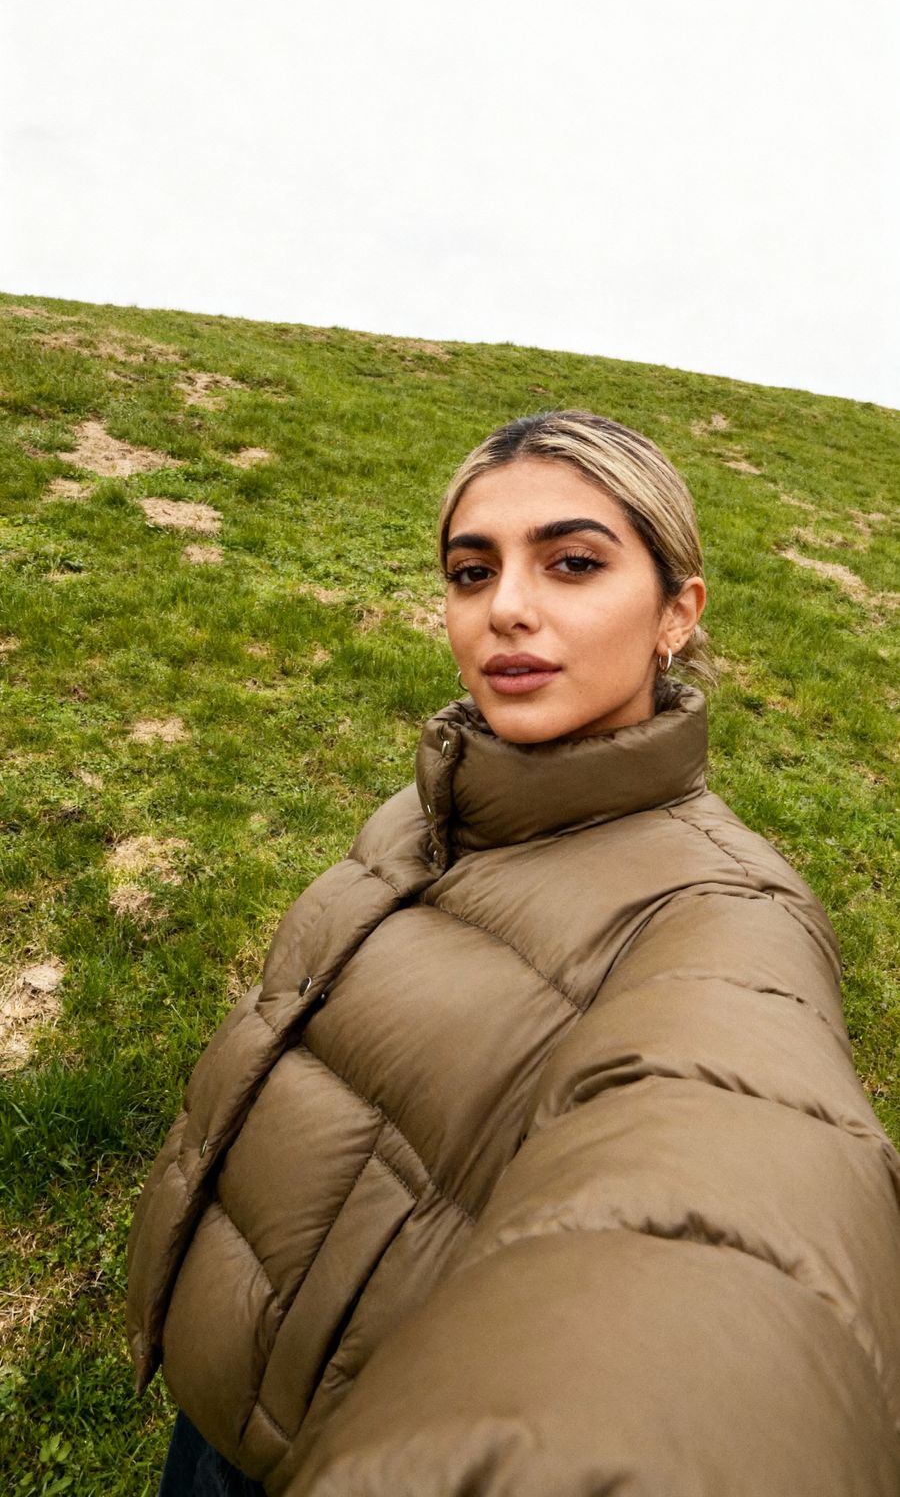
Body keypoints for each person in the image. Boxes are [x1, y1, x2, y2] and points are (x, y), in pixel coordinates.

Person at [128, 411, 900, 1496]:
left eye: (573, 563)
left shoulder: (725, 913)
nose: (507, 609)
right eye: (470, 570)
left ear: (677, 611)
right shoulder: (430, 805)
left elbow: (729, 1217)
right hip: (221, 1410)